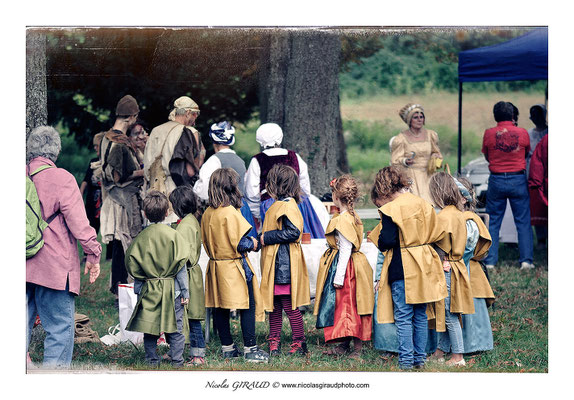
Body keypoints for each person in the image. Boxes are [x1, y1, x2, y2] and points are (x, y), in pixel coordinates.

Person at [26, 126, 102, 369]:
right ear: (56, 151)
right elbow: (79, 223)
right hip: (54, 267)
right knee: (59, 327)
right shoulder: (62, 179)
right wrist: (93, 252)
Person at [368, 166, 447, 370]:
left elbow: (387, 240)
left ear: (384, 187)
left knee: (403, 316)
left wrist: (378, 238)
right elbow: (437, 232)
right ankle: (419, 359)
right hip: (424, 264)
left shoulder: (391, 209)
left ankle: (405, 361)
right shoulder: (423, 203)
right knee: (420, 314)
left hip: (401, 266)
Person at [201, 168, 269, 363]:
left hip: (216, 267)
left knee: (220, 307)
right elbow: (240, 243)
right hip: (233, 267)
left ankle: (228, 347)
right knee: (247, 305)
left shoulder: (207, 213)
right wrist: (254, 243)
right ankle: (250, 349)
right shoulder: (229, 212)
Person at [125, 190, 189, 367]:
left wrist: (139, 286)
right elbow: (181, 266)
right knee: (176, 327)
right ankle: (178, 361)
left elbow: (132, 264)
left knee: (150, 326)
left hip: (148, 289)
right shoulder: (174, 235)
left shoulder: (140, 238)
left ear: (144, 214)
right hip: (173, 290)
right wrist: (185, 291)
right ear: (168, 212)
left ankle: (151, 360)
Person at [314, 174, 374, 359]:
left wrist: (338, 277)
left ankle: (357, 348)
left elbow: (345, 249)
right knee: (347, 307)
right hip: (353, 265)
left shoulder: (342, 220)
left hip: (347, 269)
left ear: (335, 196)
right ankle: (345, 343)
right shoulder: (351, 215)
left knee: (349, 306)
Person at [259, 164, 310, 356]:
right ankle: (274, 341)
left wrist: (267, 237)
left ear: (275, 184)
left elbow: (293, 232)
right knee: (274, 306)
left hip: (284, 266)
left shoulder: (287, 206)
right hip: (276, 265)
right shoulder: (280, 205)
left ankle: (299, 342)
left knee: (289, 305)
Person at [427, 172, 475, 367]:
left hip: (447, 269)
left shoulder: (444, 216)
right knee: (450, 313)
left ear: (437, 193)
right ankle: (441, 351)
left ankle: (457, 357)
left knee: (449, 315)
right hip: (457, 266)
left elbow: (438, 244)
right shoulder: (457, 214)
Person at [245, 122, 326, 238]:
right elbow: (305, 186)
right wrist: (301, 201)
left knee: (274, 238)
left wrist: (259, 213)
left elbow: (251, 193)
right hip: (296, 203)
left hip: (270, 206)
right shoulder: (294, 156)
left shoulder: (257, 160)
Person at [99, 94, 145, 296]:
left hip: (116, 198)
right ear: (131, 116)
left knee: (120, 246)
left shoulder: (106, 137)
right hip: (121, 200)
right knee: (125, 245)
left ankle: (119, 288)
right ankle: (122, 290)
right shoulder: (117, 141)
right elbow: (118, 177)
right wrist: (144, 172)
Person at [481, 101, 534, 270]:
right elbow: (526, 154)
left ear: (495, 116)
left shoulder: (489, 133)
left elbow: (487, 156)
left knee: (494, 221)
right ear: (513, 115)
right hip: (517, 179)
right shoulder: (522, 132)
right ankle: (526, 261)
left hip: (496, 179)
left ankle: (490, 261)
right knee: (523, 221)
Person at [143, 96, 206, 223]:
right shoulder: (187, 132)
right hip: (176, 194)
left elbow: (146, 164)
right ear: (188, 113)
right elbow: (190, 171)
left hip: (153, 193)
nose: (194, 121)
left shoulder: (156, 130)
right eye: (194, 115)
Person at [193, 121, 256, 236]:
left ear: (214, 142)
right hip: (241, 209)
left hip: (223, 211)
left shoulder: (214, 161)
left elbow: (203, 191)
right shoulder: (240, 161)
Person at [169, 185, 207, 366]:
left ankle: (198, 355)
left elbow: (184, 255)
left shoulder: (185, 226)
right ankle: (184, 351)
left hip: (189, 276)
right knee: (190, 316)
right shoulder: (191, 221)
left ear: (177, 206)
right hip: (192, 274)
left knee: (192, 317)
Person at [457, 177, 495, 354]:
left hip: (469, 270)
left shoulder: (468, 220)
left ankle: (475, 344)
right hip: (461, 269)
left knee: (473, 309)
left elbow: (479, 251)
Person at [391, 103, 443, 205]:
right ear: (410, 120)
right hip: (412, 176)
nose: (419, 119)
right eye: (415, 117)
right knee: (415, 204)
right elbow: (395, 160)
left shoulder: (431, 135)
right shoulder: (401, 138)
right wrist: (405, 161)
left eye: (421, 117)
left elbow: (437, 153)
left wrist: (435, 158)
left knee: (431, 203)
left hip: (429, 175)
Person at [527, 105, 548, 247]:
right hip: (533, 172)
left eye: (537, 114)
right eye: (532, 114)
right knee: (537, 206)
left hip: (546, 171)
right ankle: (541, 238)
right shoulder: (529, 134)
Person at [79, 132, 105, 234]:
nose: (95, 148)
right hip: (91, 203)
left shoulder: (109, 163)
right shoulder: (93, 162)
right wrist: (80, 196)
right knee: (90, 231)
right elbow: (85, 180)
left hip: (104, 204)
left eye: (97, 145)